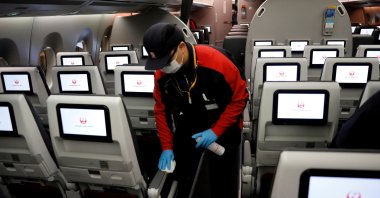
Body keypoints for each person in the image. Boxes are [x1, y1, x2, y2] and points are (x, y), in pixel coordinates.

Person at [143, 22, 248, 197]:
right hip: (191, 118)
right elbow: (161, 110)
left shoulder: (217, 62)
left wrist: (216, 131)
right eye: (158, 64)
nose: (163, 68)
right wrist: (167, 147)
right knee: (185, 173)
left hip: (224, 119)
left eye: (166, 61)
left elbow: (239, 100)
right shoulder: (162, 74)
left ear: (182, 47)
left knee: (221, 179)